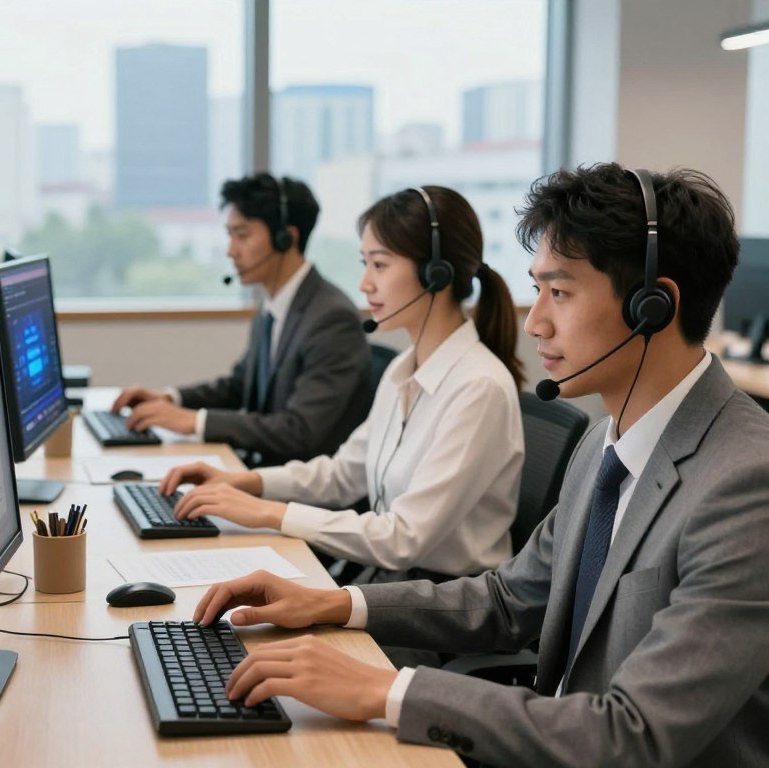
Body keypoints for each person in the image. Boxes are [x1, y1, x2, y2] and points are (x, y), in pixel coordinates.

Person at [190, 164, 769, 768]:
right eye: (537, 290)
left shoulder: (744, 486)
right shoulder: (608, 441)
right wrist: (335, 604)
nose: (535, 322)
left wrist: (386, 689)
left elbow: (633, 735)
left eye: (561, 292)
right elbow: (507, 599)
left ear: (654, 306)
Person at [162, 186, 525, 586]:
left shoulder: (479, 388)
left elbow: (403, 539)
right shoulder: (404, 370)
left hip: (444, 607)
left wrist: (270, 512)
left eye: (380, 265)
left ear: (435, 274)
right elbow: (341, 475)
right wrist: (246, 482)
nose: (365, 283)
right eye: (364, 263)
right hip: (391, 582)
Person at [111, 173, 371, 467]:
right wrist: (172, 398)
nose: (230, 250)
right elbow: (240, 385)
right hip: (263, 472)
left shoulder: (331, 319)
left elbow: (300, 431)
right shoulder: (274, 304)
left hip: (302, 494)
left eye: (242, 235)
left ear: (286, 238)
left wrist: (196, 422)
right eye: (229, 235)